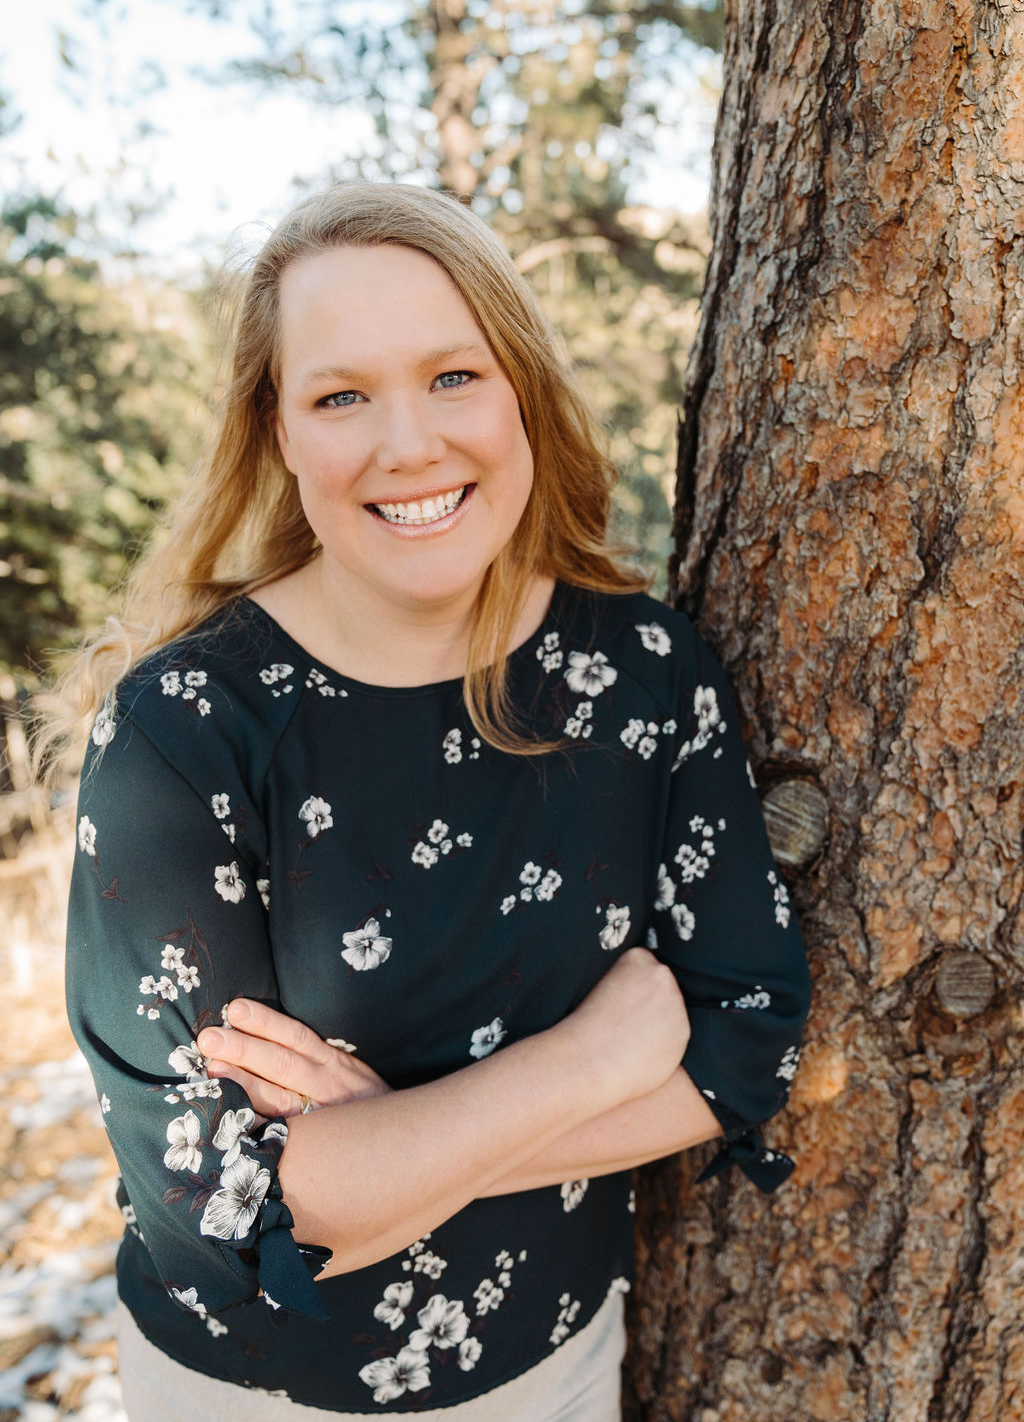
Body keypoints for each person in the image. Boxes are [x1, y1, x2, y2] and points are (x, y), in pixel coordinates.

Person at [61, 182, 811, 1421]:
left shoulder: (640, 675)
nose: (408, 443)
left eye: (453, 375)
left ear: (519, 390)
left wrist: (390, 1154)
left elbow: (745, 1042)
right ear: (280, 432)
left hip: (557, 1372)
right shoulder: (180, 732)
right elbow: (237, 1212)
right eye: (341, 395)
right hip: (250, 1399)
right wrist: (589, 1063)